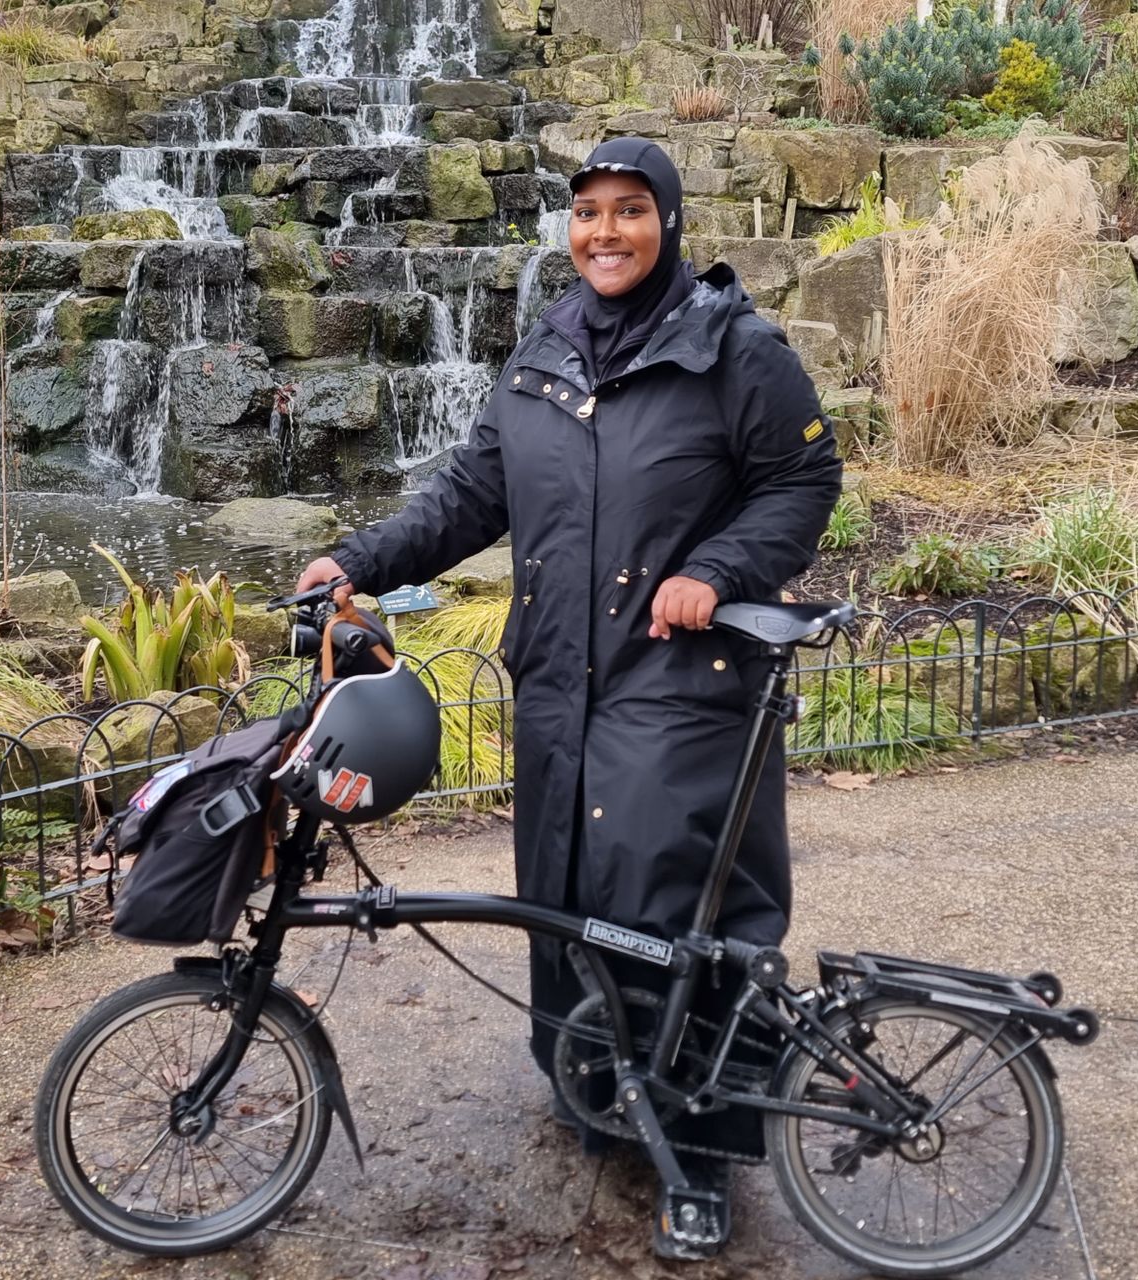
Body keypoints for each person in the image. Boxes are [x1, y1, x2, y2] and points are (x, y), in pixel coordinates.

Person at [296, 136, 841, 1258]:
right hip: (558, 678)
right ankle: (593, 1074)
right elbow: (470, 494)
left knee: (677, 902)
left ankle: (701, 1150)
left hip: (681, 680)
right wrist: (361, 561)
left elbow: (803, 477)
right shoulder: (544, 352)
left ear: (669, 222)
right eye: (588, 211)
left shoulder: (735, 350)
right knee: (564, 883)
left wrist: (719, 571)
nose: (605, 232)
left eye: (630, 211)